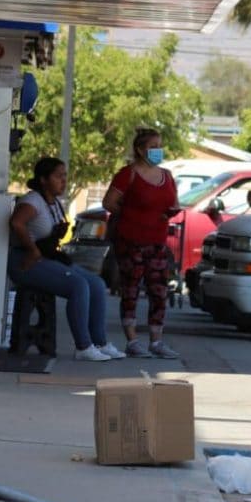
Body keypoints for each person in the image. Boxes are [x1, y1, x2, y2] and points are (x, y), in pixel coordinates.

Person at [8, 157, 126, 362]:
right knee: (78, 285)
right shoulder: (33, 201)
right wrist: (32, 250)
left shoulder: (54, 204)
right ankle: (83, 346)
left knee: (96, 284)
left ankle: (100, 342)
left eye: (64, 176)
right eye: (58, 176)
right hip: (25, 262)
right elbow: (17, 223)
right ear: (44, 179)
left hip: (48, 258)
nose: (63, 180)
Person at [103, 127, 182, 359]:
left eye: (160, 146)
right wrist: (131, 214)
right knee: (131, 288)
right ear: (140, 149)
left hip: (157, 241)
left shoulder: (166, 176)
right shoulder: (128, 174)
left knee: (159, 290)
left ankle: (157, 341)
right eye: (153, 146)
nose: (158, 150)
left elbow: (174, 202)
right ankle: (132, 340)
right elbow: (109, 202)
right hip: (130, 240)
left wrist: (170, 212)